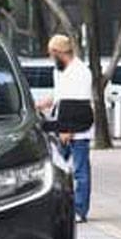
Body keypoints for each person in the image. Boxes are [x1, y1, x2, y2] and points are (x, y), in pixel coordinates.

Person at [38, 34, 94, 223]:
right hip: (65, 125)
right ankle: (65, 206)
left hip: (75, 129)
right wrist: (44, 103)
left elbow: (77, 104)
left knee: (80, 171)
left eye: (52, 54)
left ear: (58, 52)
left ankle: (80, 209)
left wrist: (67, 129)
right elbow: (61, 95)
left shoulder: (79, 72)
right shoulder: (63, 71)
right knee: (58, 168)